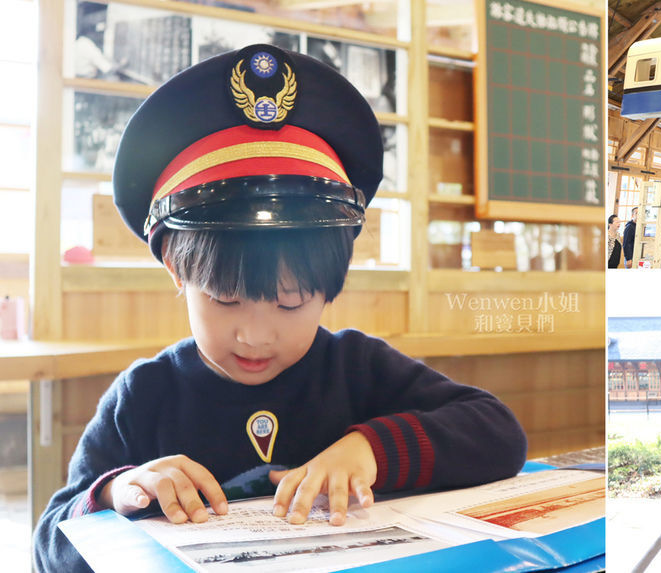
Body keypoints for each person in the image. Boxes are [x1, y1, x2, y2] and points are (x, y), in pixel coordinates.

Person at [34, 44, 527, 572]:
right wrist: (115, 492)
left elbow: (499, 432)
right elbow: (50, 544)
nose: (256, 335)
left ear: (330, 285)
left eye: (291, 303)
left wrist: (369, 451)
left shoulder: (357, 368)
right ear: (177, 273)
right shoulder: (145, 396)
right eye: (225, 299)